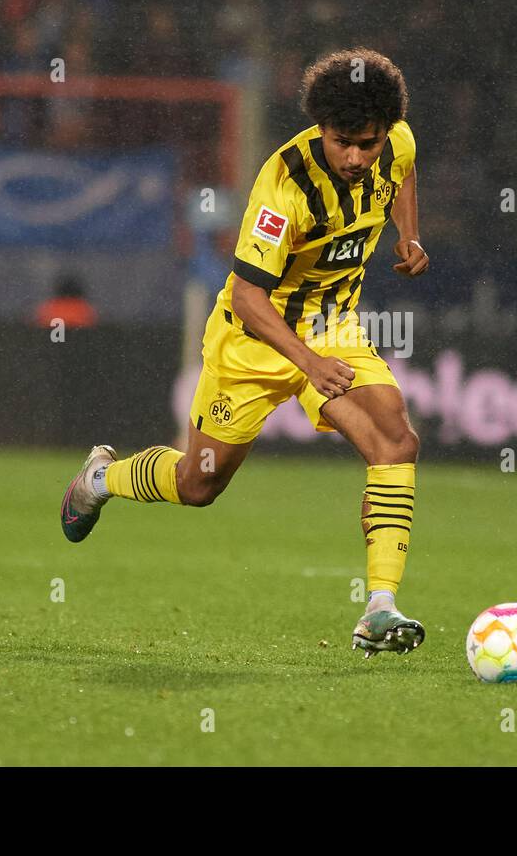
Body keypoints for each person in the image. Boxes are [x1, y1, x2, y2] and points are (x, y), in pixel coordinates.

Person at [58, 48, 430, 658]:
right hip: (253, 342)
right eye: (344, 143)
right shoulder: (283, 186)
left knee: (395, 440)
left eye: (368, 143)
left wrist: (408, 234)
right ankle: (99, 479)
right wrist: (309, 365)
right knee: (198, 483)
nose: (358, 157)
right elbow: (249, 296)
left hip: (331, 328)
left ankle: (379, 610)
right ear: (321, 129)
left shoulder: (396, 143)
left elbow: (406, 172)